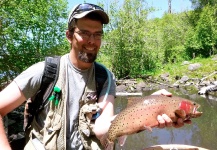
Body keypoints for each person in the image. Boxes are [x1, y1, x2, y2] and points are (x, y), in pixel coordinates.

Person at [0, 3, 190, 150]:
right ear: (69, 35)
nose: (91, 41)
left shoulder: (104, 77)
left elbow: (102, 128)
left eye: (97, 34)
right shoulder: (44, 71)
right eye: (84, 33)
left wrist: (148, 109)